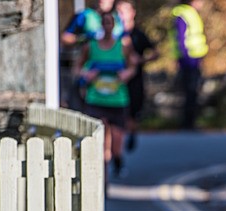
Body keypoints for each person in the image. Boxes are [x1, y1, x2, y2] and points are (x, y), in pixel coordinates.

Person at [76, 11, 136, 187]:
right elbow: (78, 66)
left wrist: (126, 74)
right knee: (102, 142)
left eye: (111, 23)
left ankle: (118, 161)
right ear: (101, 25)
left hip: (117, 100)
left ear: (114, 25)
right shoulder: (91, 46)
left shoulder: (123, 46)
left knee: (116, 143)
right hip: (96, 99)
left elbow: (133, 65)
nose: (108, 26)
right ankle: (103, 178)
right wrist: (86, 74)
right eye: (105, 23)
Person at [61, 0, 125, 111]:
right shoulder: (85, 15)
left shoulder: (118, 18)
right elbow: (65, 39)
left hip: (114, 82)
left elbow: (127, 46)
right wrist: (83, 38)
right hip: (89, 79)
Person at [115, 0, 159, 152]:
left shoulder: (138, 34)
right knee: (119, 112)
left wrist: (141, 60)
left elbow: (155, 52)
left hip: (136, 78)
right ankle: (118, 142)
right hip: (117, 79)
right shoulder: (114, 34)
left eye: (125, 11)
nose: (122, 15)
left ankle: (131, 133)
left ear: (132, 13)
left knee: (133, 111)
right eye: (119, 11)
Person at [169, 0, 208, 130]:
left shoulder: (190, 13)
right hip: (189, 60)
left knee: (193, 91)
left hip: (194, 58)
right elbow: (181, 38)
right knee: (189, 91)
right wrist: (184, 58)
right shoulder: (184, 13)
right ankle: (187, 123)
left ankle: (190, 121)